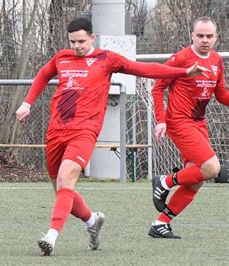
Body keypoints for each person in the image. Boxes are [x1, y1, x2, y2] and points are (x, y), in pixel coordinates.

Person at [15, 17, 209, 256]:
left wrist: (182, 72)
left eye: (82, 41)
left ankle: (51, 235)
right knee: (62, 191)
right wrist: (27, 103)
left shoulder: (107, 59)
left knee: (66, 181)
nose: (77, 46)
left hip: (84, 132)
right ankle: (91, 221)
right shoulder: (62, 58)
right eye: (73, 41)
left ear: (92, 38)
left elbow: (144, 69)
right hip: (56, 131)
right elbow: (43, 75)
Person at [149, 17, 229, 239]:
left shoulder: (216, 61)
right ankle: (164, 181)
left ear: (216, 37)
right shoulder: (180, 58)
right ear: (192, 36)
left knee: (197, 179)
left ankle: (160, 223)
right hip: (179, 121)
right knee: (212, 168)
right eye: (200, 35)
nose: (205, 40)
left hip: (198, 123)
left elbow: (221, 94)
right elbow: (157, 88)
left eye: (209, 36)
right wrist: (161, 120)